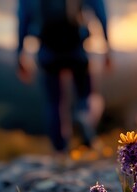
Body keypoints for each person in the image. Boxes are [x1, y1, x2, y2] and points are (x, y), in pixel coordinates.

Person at [16, 0, 111, 155]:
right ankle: (84, 117)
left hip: (47, 50)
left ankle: (60, 150)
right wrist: (107, 46)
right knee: (87, 96)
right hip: (76, 47)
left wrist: (20, 53)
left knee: (54, 103)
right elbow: (100, 11)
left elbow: (23, 20)